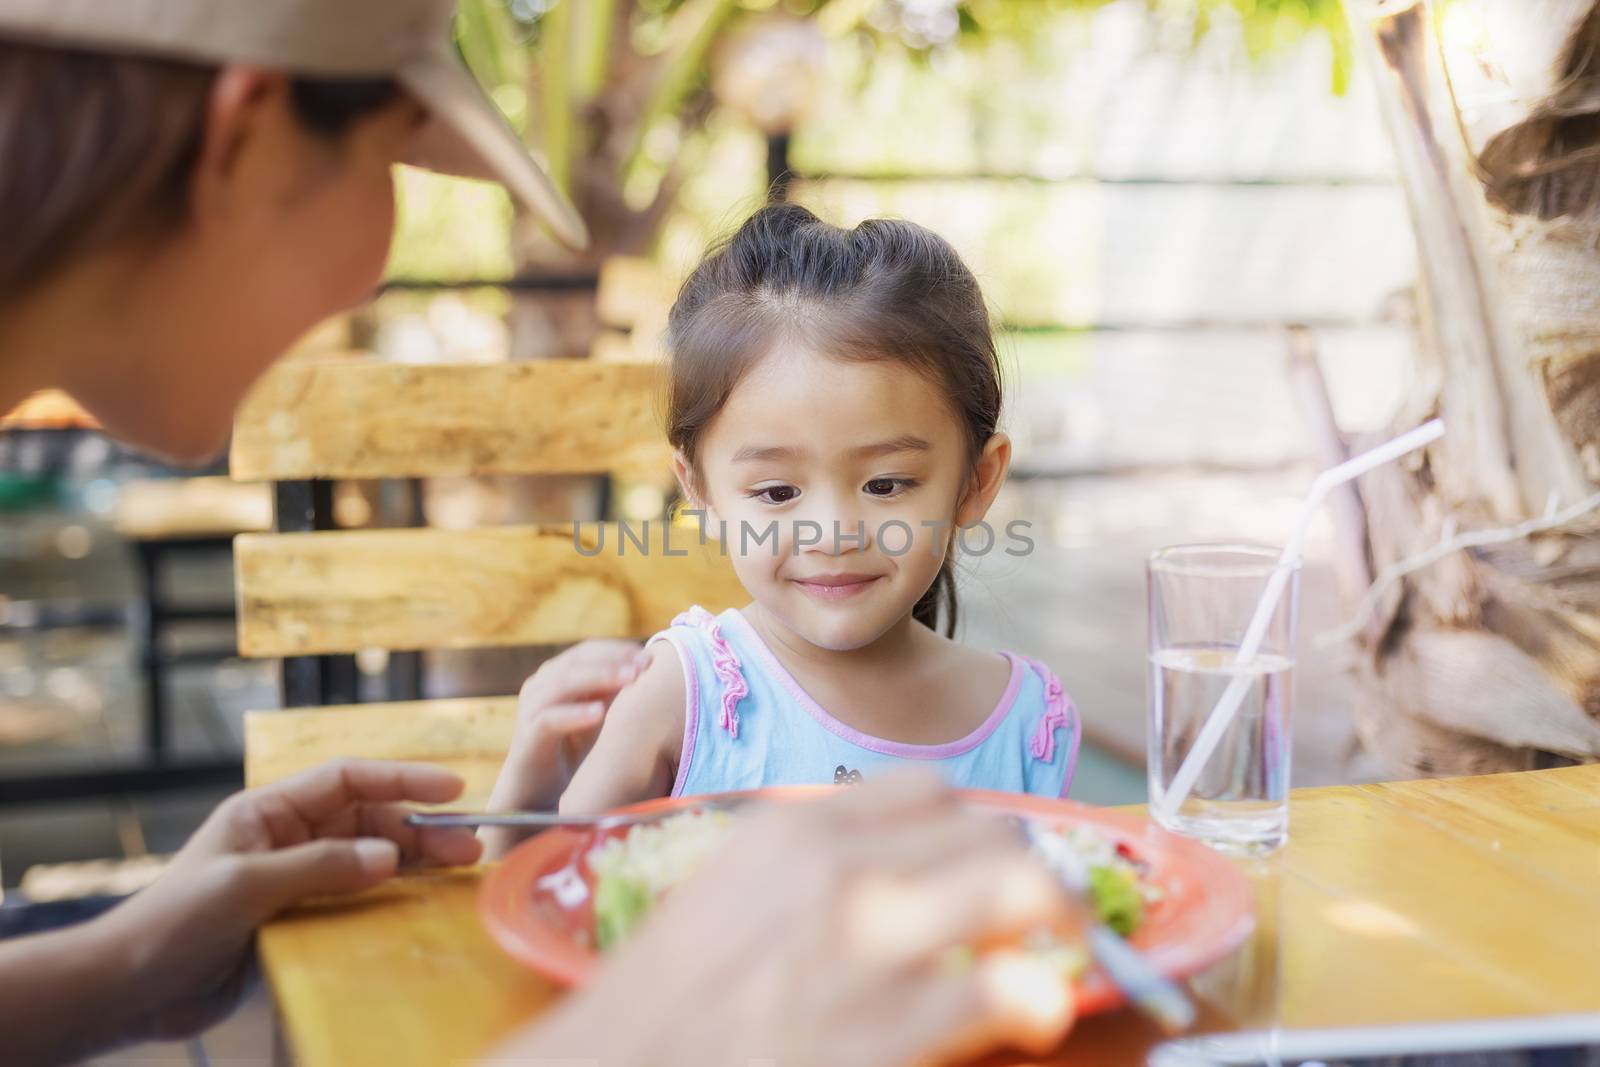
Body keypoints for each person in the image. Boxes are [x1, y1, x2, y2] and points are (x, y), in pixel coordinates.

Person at [0, 2, 1080, 1065]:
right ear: (241, 144)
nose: (382, 251)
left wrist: (134, 959)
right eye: (392, 159)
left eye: (887, 481)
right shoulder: (701, 678)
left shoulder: (1023, 708)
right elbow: (553, 905)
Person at [487, 204, 1082, 820]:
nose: (832, 534)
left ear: (975, 482)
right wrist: (526, 790)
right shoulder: (683, 697)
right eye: (776, 493)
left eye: (886, 484)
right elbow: (552, 892)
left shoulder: (1027, 723)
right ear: (703, 493)